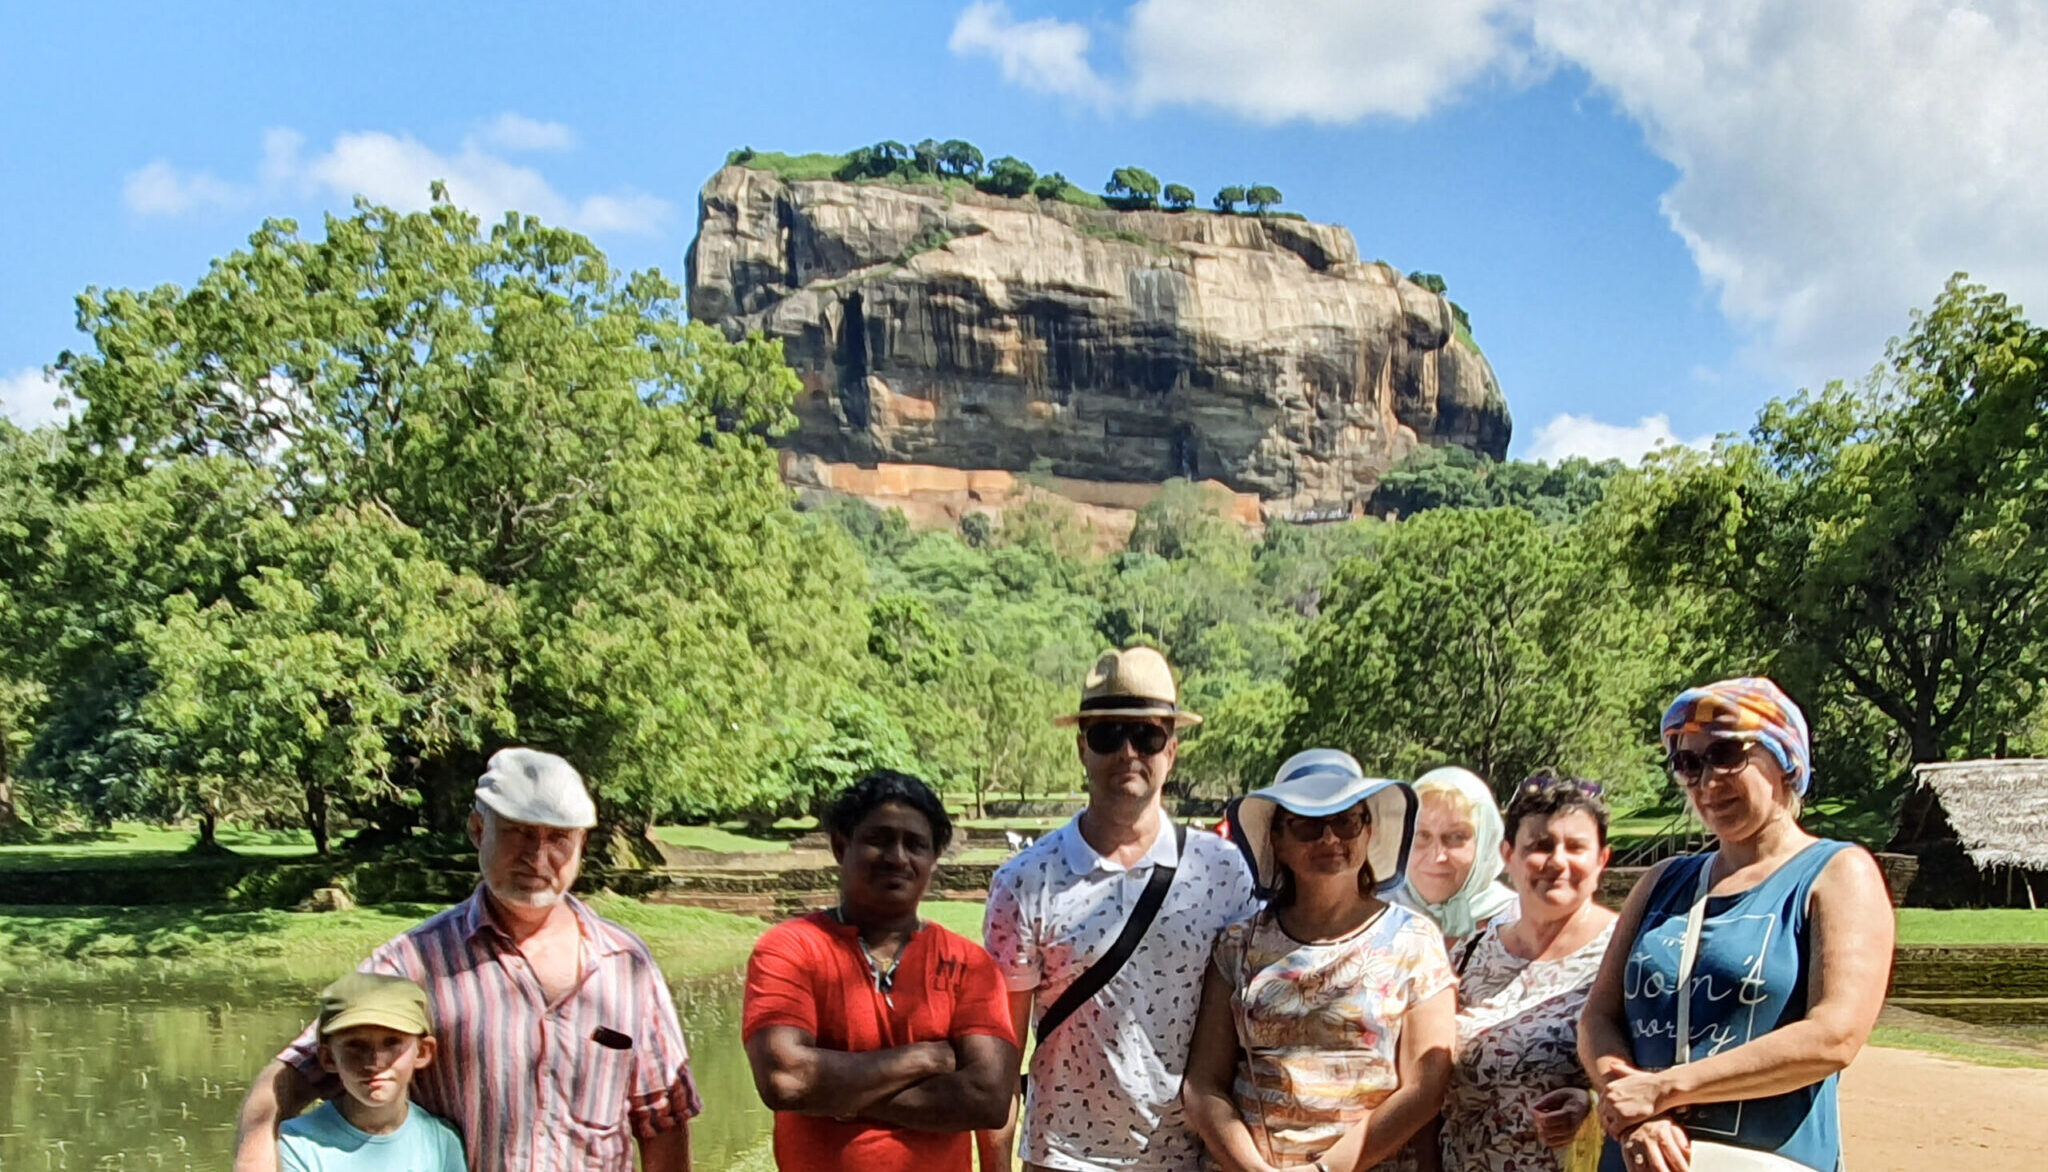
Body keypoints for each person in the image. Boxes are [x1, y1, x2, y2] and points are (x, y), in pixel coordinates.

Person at [234, 748, 700, 1172]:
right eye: (518, 832)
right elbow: (293, 1075)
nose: (537, 856)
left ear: (581, 846)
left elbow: (662, 1118)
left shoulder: (627, 965)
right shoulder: (415, 962)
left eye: (558, 838)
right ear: (479, 831)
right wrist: (256, 1149)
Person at [1579, 678, 1894, 1172]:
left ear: (1786, 760)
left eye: (1727, 754)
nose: (1707, 781)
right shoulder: (1662, 881)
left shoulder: (1836, 873)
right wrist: (1633, 1110)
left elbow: (1834, 1035)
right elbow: (1599, 1016)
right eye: (1687, 762)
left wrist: (1662, 1089)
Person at [984, 646, 1259, 1172]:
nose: (1128, 752)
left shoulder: (1222, 873)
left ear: (1171, 750)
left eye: (1147, 735)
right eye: (1109, 735)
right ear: (1082, 748)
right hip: (1064, 1159)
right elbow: (1000, 1061)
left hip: (1191, 1158)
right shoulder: (1024, 882)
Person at [1184, 749, 1455, 1172]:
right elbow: (1204, 1084)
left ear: (1368, 831)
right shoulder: (1238, 945)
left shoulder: (1414, 941)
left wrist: (1326, 1170)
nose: (1330, 839)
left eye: (1346, 821)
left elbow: (1426, 1086)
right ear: (1279, 840)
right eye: (1308, 825)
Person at [743, 769, 1018, 1171]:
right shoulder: (791, 949)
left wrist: (836, 1097)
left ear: (933, 858)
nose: (897, 857)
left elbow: (989, 1099)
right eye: (879, 839)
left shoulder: (967, 966)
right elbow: (785, 1079)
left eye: (915, 844)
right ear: (841, 845)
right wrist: (925, 1058)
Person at [1440, 777, 1617, 1172]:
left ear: (1602, 859)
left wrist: (1588, 1103)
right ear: (1508, 855)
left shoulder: (1625, 955)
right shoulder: (1470, 950)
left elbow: (1649, 1076)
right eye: (1539, 846)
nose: (1557, 861)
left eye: (1575, 847)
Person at [278, 972, 466, 1172]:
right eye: (355, 1045)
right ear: (328, 1058)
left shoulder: (441, 1141)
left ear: (422, 1052)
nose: (375, 1061)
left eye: (392, 1042)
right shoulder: (297, 1142)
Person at [1395, 767, 1519, 961]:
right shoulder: (1372, 918)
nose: (1437, 856)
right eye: (1422, 835)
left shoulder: (1524, 922)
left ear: (1485, 843)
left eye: (1456, 837)